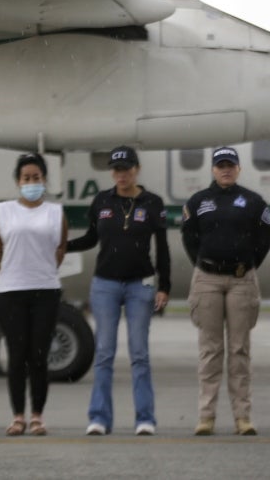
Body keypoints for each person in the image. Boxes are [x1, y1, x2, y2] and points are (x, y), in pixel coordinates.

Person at [67, 145, 171, 437]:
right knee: (104, 353)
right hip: (106, 284)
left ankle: (145, 418)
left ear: (136, 169)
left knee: (139, 353)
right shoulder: (102, 201)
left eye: (126, 168)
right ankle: (99, 417)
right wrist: (64, 246)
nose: (120, 174)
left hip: (141, 284)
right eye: (116, 169)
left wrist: (165, 286)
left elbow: (162, 249)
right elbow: (90, 238)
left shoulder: (152, 203)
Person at [182, 145, 270, 436]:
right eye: (220, 165)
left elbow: (263, 241)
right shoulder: (198, 202)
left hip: (241, 279)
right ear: (213, 169)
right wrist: (207, 263)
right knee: (210, 350)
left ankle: (242, 417)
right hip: (207, 279)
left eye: (230, 165)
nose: (225, 169)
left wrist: (244, 265)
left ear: (238, 168)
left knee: (239, 350)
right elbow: (190, 239)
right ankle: (206, 417)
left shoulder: (253, 202)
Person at [0, 153, 68, 436]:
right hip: (11, 291)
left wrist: (41, 269)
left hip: (45, 290)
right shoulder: (3, 211)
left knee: (38, 356)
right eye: (26, 178)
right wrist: (9, 270)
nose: (31, 182)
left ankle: (37, 415)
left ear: (44, 180)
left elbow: (60, 248)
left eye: (36, 178)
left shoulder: (55, 212)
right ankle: (17, 416)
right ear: (18, 181)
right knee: (16, 355)